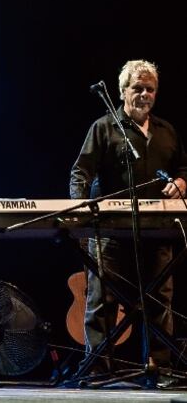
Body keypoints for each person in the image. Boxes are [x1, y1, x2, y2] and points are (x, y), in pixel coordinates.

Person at [70, 59, 187, 374]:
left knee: (159, 301)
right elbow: (81, 172)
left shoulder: (166, 131)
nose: (145, 94)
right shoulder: (104, 127)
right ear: (123, 92)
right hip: (110, 231)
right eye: (138, 88)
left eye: (150, 89)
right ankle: (97, 368)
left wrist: (181, 183)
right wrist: (79, 212)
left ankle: (159, 366)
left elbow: (182, 169)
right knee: (102, 301)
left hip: (157, 229)